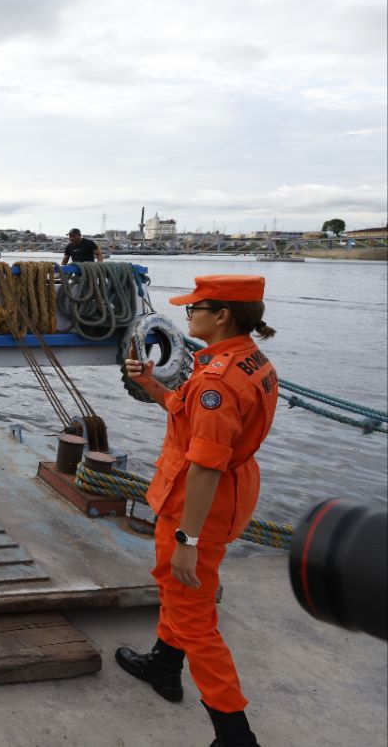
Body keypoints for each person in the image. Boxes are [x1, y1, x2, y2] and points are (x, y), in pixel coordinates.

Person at [116, 275, 278, 747]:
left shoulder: (216, 381)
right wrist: (150, 383)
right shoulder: (248, 360)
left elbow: (206, 465)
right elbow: (189, 416)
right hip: (221, 499)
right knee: (178, 591)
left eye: (195, 309)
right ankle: (165, 667)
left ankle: (235, 735)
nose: (188, 316)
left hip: (196, 508)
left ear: (221, 315)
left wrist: (187, 540)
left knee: (195, 619)